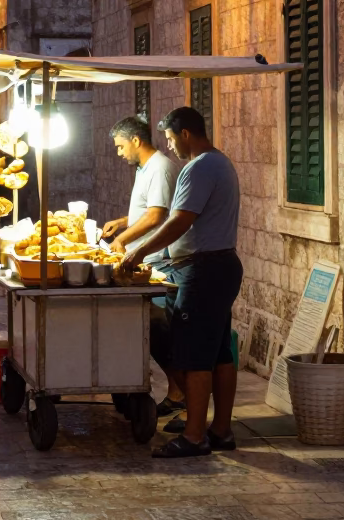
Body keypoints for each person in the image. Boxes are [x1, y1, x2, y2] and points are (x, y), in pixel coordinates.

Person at [122, 106, 243, 458]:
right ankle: (220, 430)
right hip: (219, 267)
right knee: (219, 353)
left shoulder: (200, 167)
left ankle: (194, 436)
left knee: (193, 357)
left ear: (186, 134)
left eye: (172, 139)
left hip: (202, 270)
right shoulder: (220, 163)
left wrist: (139, 252)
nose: (171, 147)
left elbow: (179, 221)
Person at [101, 115, 184, 421]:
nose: (119, 153)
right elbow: (144, 211)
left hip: (158, 262)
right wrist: (121, 223)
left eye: (121, 146)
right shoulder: (144, 168)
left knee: (157, 330)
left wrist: (122, 241)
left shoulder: (161, 167)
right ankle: (177, 391)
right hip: (145, 259)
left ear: (136, 140)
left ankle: (180, 392)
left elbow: (156, 216)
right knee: (152, 330)